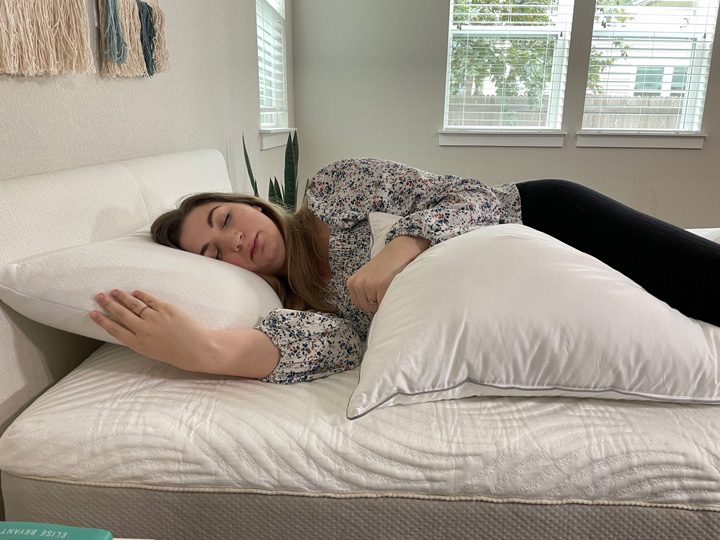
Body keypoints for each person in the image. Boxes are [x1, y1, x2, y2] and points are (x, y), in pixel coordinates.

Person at [90, 158, 720, 383]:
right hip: (530, 282)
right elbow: (327, 347)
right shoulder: (308, 307)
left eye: (226, 220)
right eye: (212, 255)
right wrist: (204, 349)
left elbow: (475, 195)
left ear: (251, 203)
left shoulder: (334, 188)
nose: (235, 243)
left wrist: (403, 246)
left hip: (549, 215)